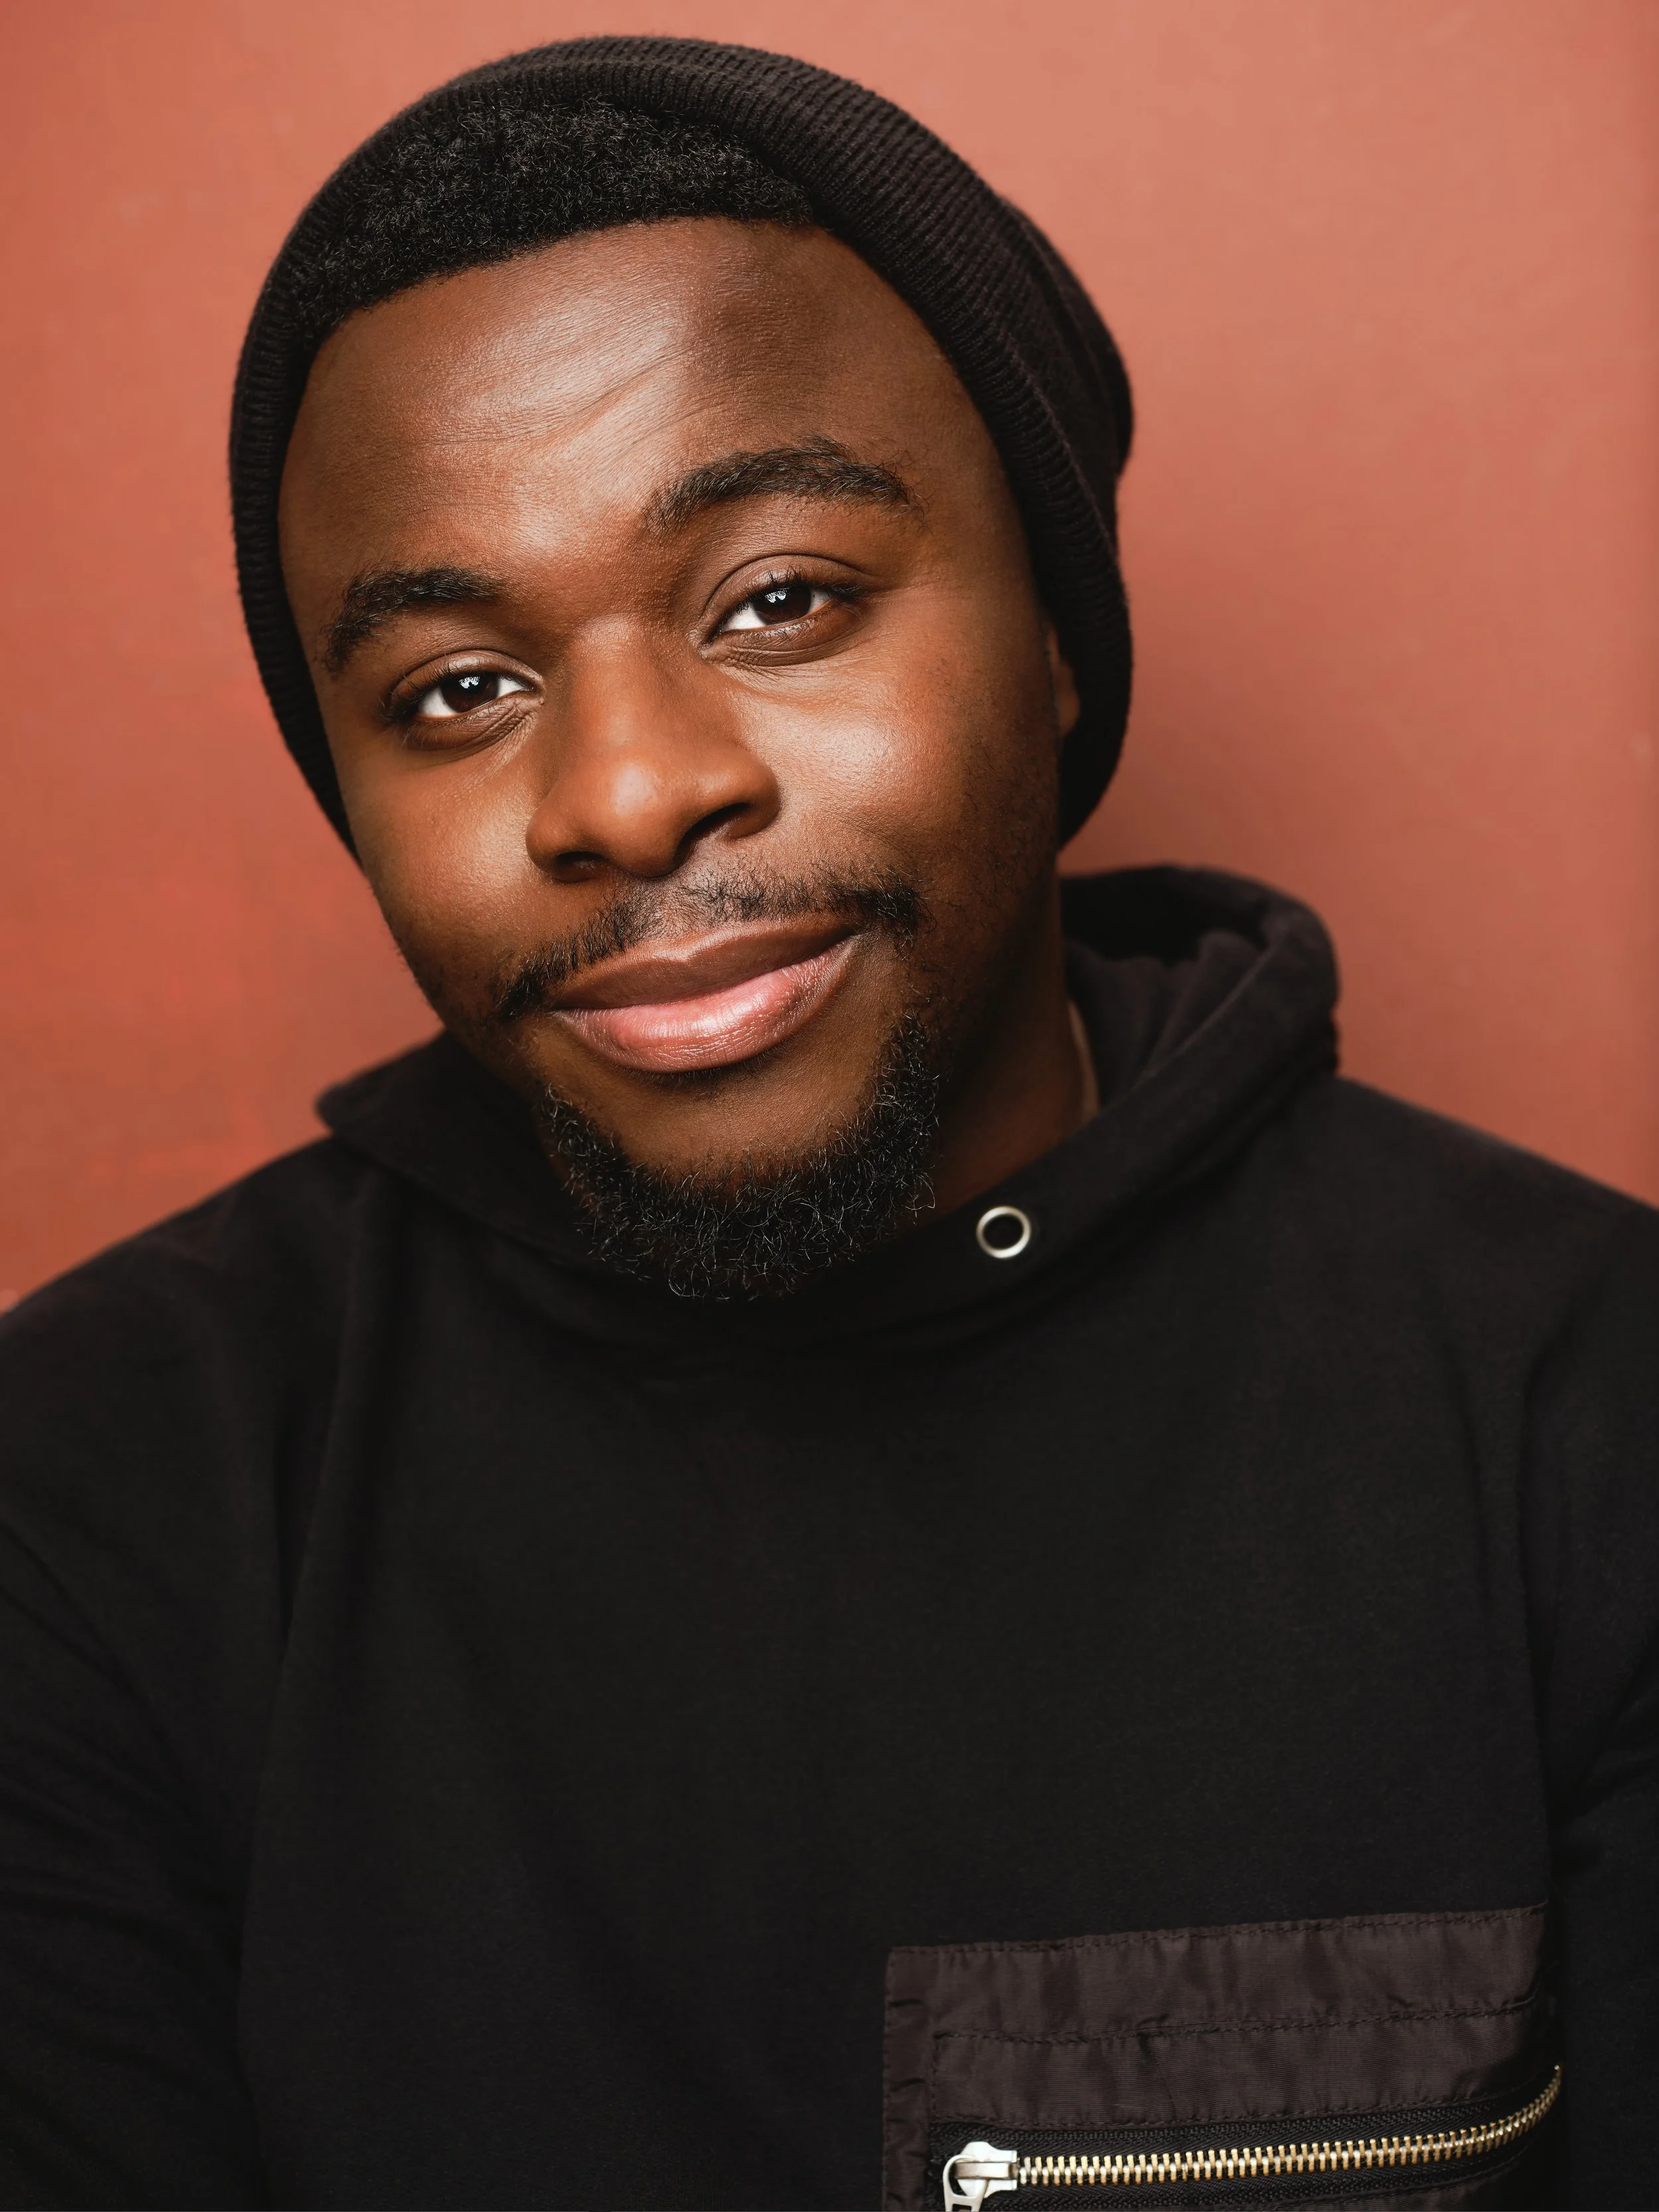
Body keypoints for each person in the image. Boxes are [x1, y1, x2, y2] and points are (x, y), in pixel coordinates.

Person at [1, 35, 1654, 2212]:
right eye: (454, 693)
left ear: (1058, 632)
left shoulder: (1591, 1402)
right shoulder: (96, 1486)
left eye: (778, 598)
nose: (617, 790)